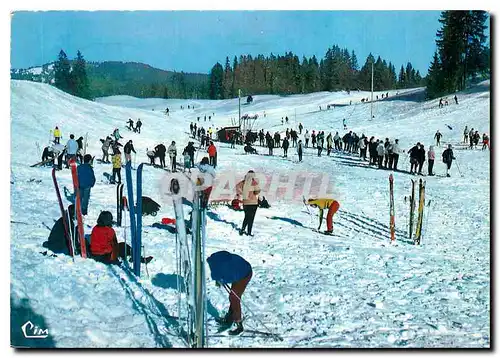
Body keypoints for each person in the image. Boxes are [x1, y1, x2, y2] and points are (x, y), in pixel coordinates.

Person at [207, 251, 253, 335]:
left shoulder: (231, 273)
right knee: (232, 297)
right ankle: (230, 317)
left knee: (234, 298)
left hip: (244, 274)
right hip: (239, 268)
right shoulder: (215, 260)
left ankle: (238, 324)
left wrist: (222, 280)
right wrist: (219, 279)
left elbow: (231, 278)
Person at [236, 170, 261, 236]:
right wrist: (254, 193)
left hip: (245, 202)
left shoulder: (243, 182)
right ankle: (249, 232)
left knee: (246, 217)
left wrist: (242, 193)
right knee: (251, 218)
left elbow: (237, 187)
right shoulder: (254, 182)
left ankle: (242, 229)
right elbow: (257, 191)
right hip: (253, 203)